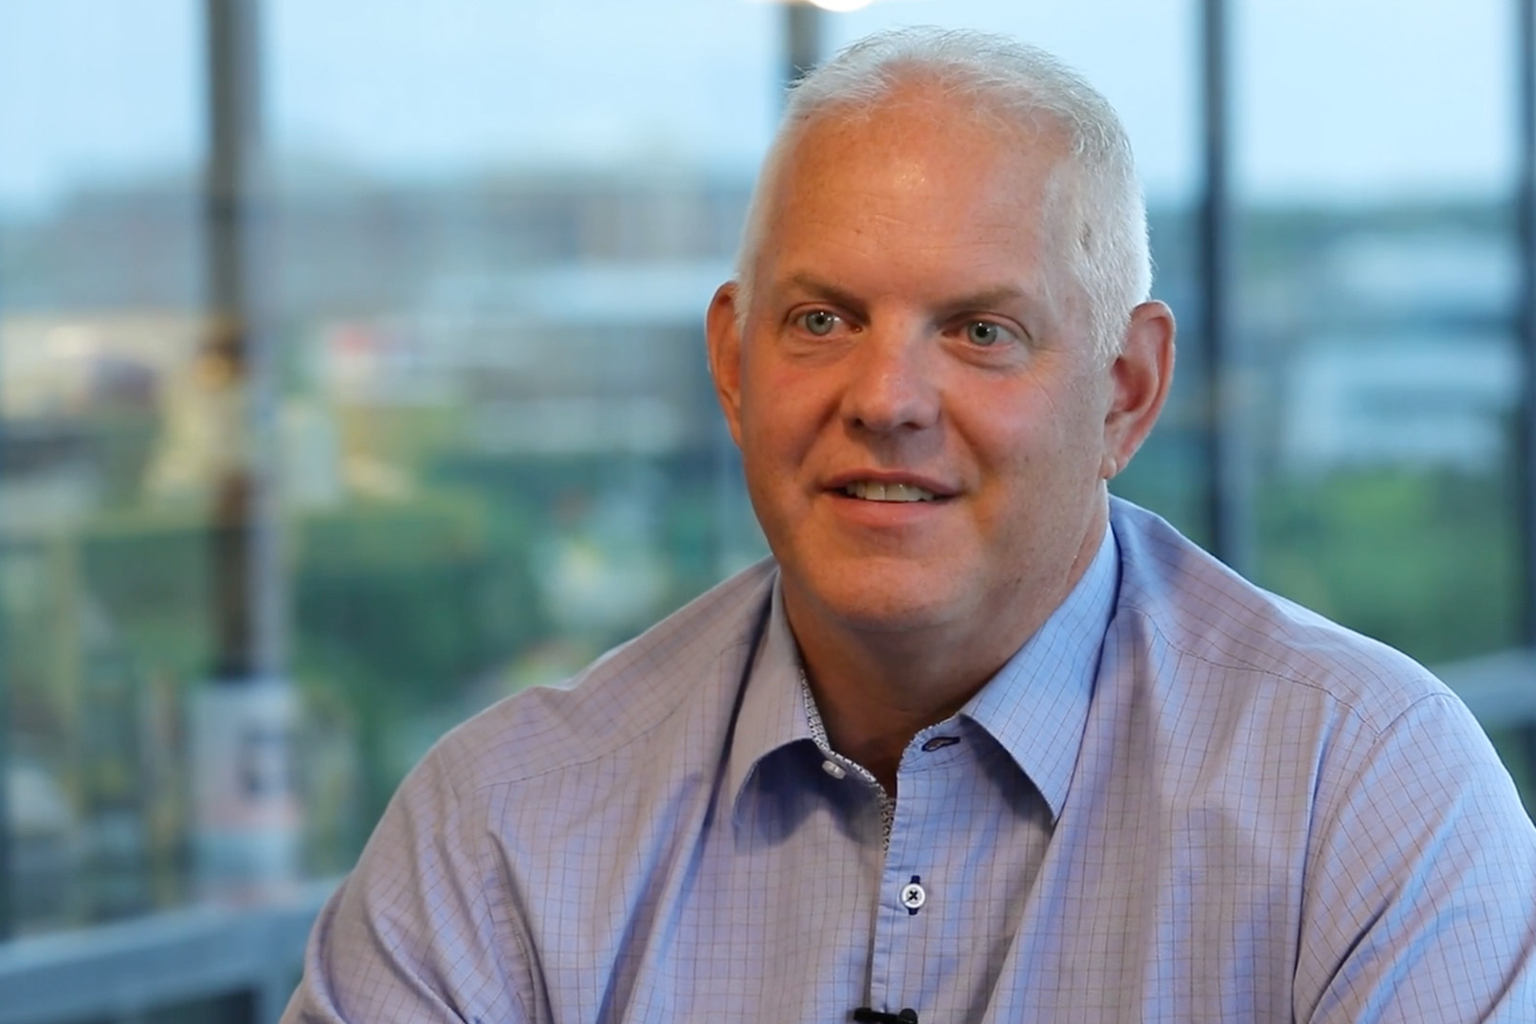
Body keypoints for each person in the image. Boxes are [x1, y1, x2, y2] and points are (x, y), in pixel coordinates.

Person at [283, 27, 1536, 1023]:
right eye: (822, 320)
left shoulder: (1367, 798)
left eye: (982, 331)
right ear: (731, 363)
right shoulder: (500, 830)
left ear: (1126, 391)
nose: (884, 400)